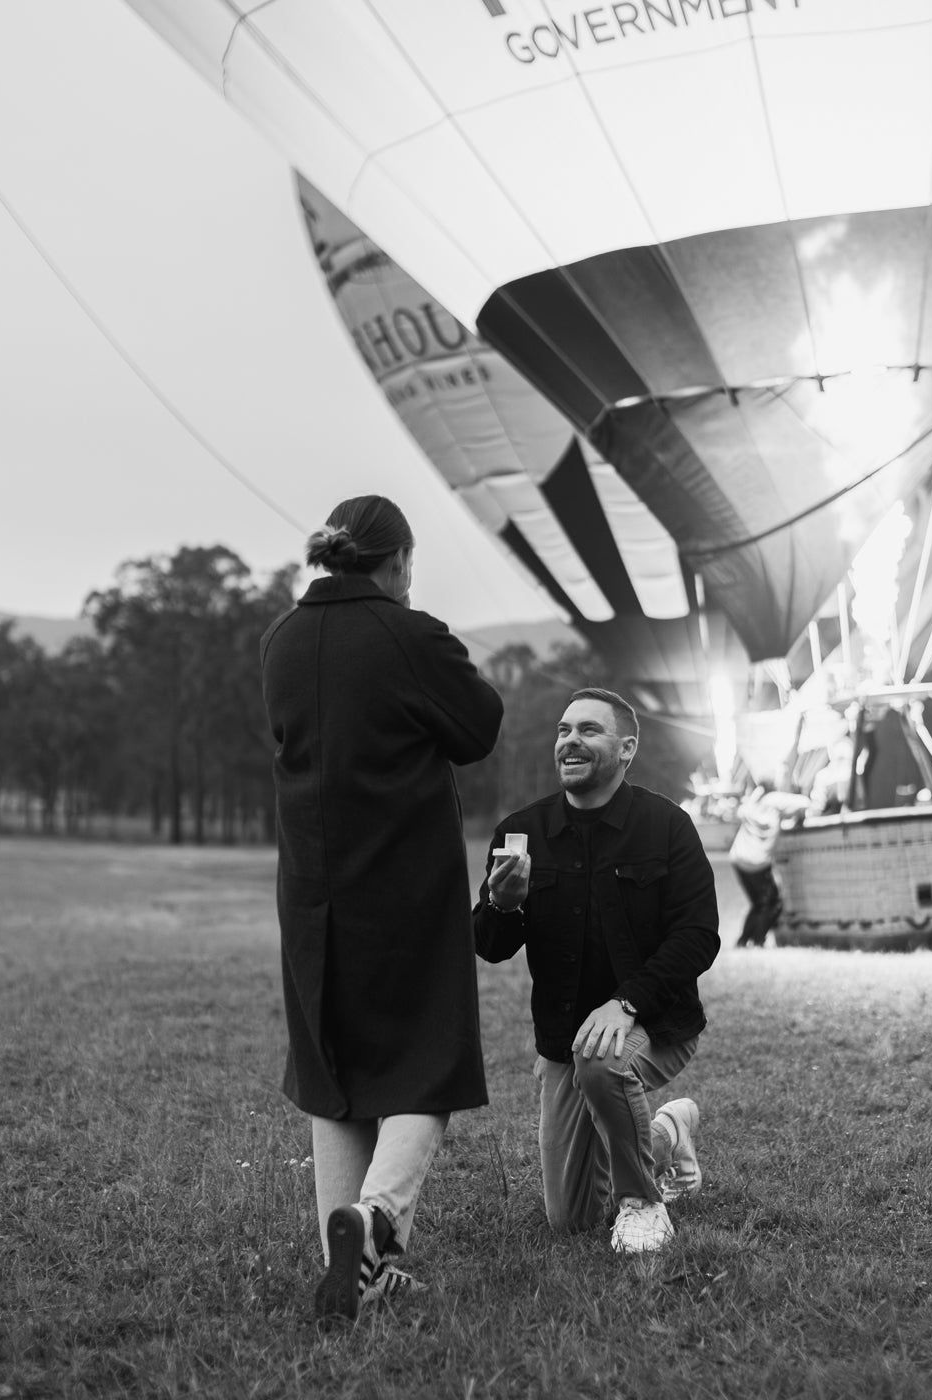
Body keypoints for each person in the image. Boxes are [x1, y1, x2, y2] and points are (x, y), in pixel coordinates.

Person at [260, 495, 504, 1321]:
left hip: (311, 896)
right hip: (403, 889)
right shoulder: (411, 633)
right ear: (396, 560)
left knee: (336, 1073)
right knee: (424, 1063)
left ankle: (355, 1268)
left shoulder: (281, 641)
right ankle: (373, 1225)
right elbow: (479, 728)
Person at [474, 688, 719, 1255]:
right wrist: (504, 904)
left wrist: (626, 1002)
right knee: (571, 1218)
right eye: (563, 731)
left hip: (657, 1024)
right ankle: (667, 1131)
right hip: (566, 1042)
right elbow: (488, 945)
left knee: (603, 1060)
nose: (570, 741)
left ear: (626, 748)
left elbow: (698, 935)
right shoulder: (522, 832)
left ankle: (643, 1204)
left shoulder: (667, 826)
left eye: (589, 730)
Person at [728, 780, 811, 947]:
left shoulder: (750, 804)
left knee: (759, 903)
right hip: (758, 861)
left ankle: (743, 940)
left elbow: (739, 812)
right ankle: (758, 940)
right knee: (773, 902)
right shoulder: (775, 800)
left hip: (739, 858)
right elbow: (805, 802)